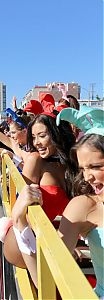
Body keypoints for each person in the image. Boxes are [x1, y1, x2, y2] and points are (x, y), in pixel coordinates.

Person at [11, 107, 104, 298]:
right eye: (84, 169)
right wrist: (19, 221)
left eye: (95, 167)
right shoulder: (84, 206)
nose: (87, 177)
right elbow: (47, 276)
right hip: (31, 238)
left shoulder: (67, 167)